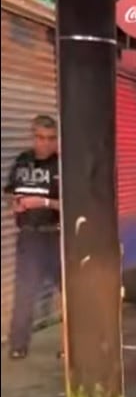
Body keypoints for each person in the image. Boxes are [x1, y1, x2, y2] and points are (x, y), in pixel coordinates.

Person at [3, 115, 61, 359]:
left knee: (69, 294)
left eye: (50, 139)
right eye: (40, 138)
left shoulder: (62, 166)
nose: (45, 144)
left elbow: (75, 204)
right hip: (28, 238)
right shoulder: (22, 162)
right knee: (24, 293)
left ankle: (71, 346)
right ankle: (18, 345)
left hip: (57, 237)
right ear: (32, 136)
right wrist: (13, 204)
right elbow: (9, 193)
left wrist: (44, 202)